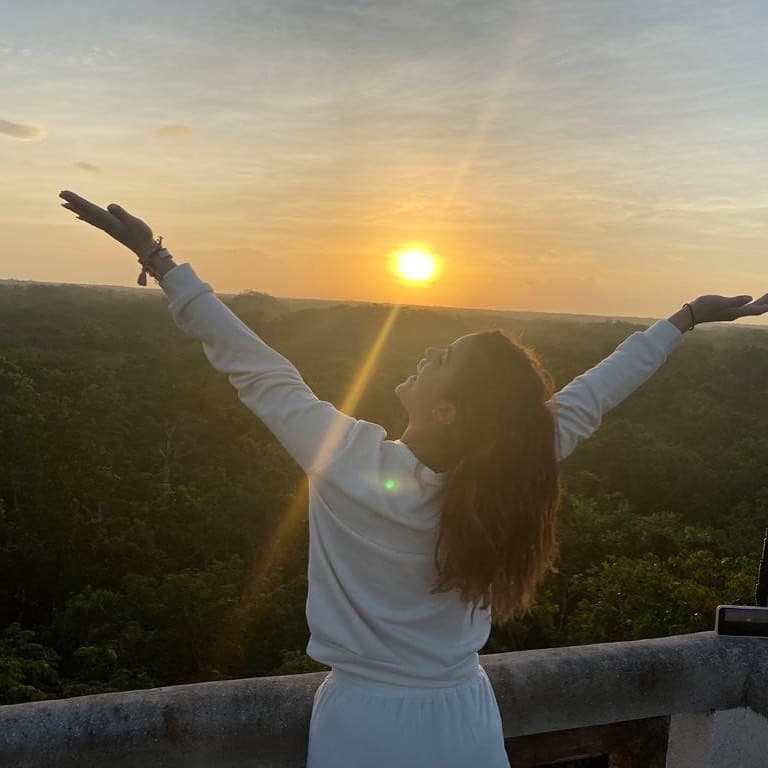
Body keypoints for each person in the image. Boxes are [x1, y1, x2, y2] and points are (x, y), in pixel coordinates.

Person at [58, 190, 768, 767]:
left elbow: (254, 365)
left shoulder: (350, 461)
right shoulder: (515, 467)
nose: (424, 357)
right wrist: (683, 321)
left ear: (447, 407)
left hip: (366, 724)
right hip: (464, 713)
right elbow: (598, 390)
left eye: (439, 358)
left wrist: (160, 259)